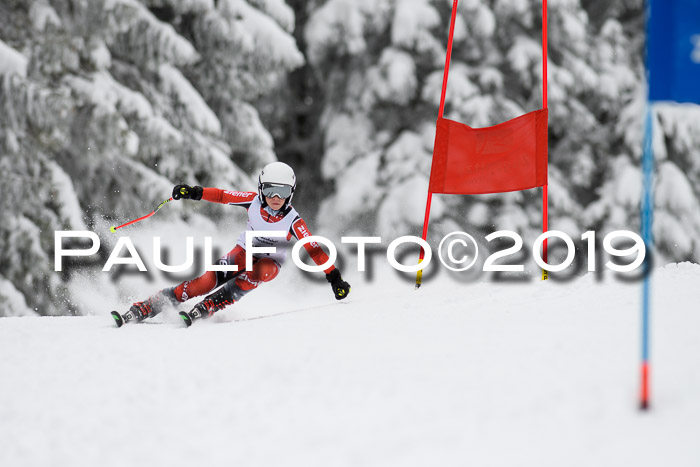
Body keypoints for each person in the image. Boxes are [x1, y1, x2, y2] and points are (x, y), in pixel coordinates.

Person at [111, 162, 350, 327]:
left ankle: (213, 304)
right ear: (261, 189)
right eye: (270, 190)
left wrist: (334, 278)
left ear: (291, 193)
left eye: (283, 192)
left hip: (270, 261)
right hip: (244, 251)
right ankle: (151, 305)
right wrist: (195, 192)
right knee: (204, 282)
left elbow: (314, 250)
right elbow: (223, 195)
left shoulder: (293, 221)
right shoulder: (252, 201)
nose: (276, 198)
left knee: (258, 272)